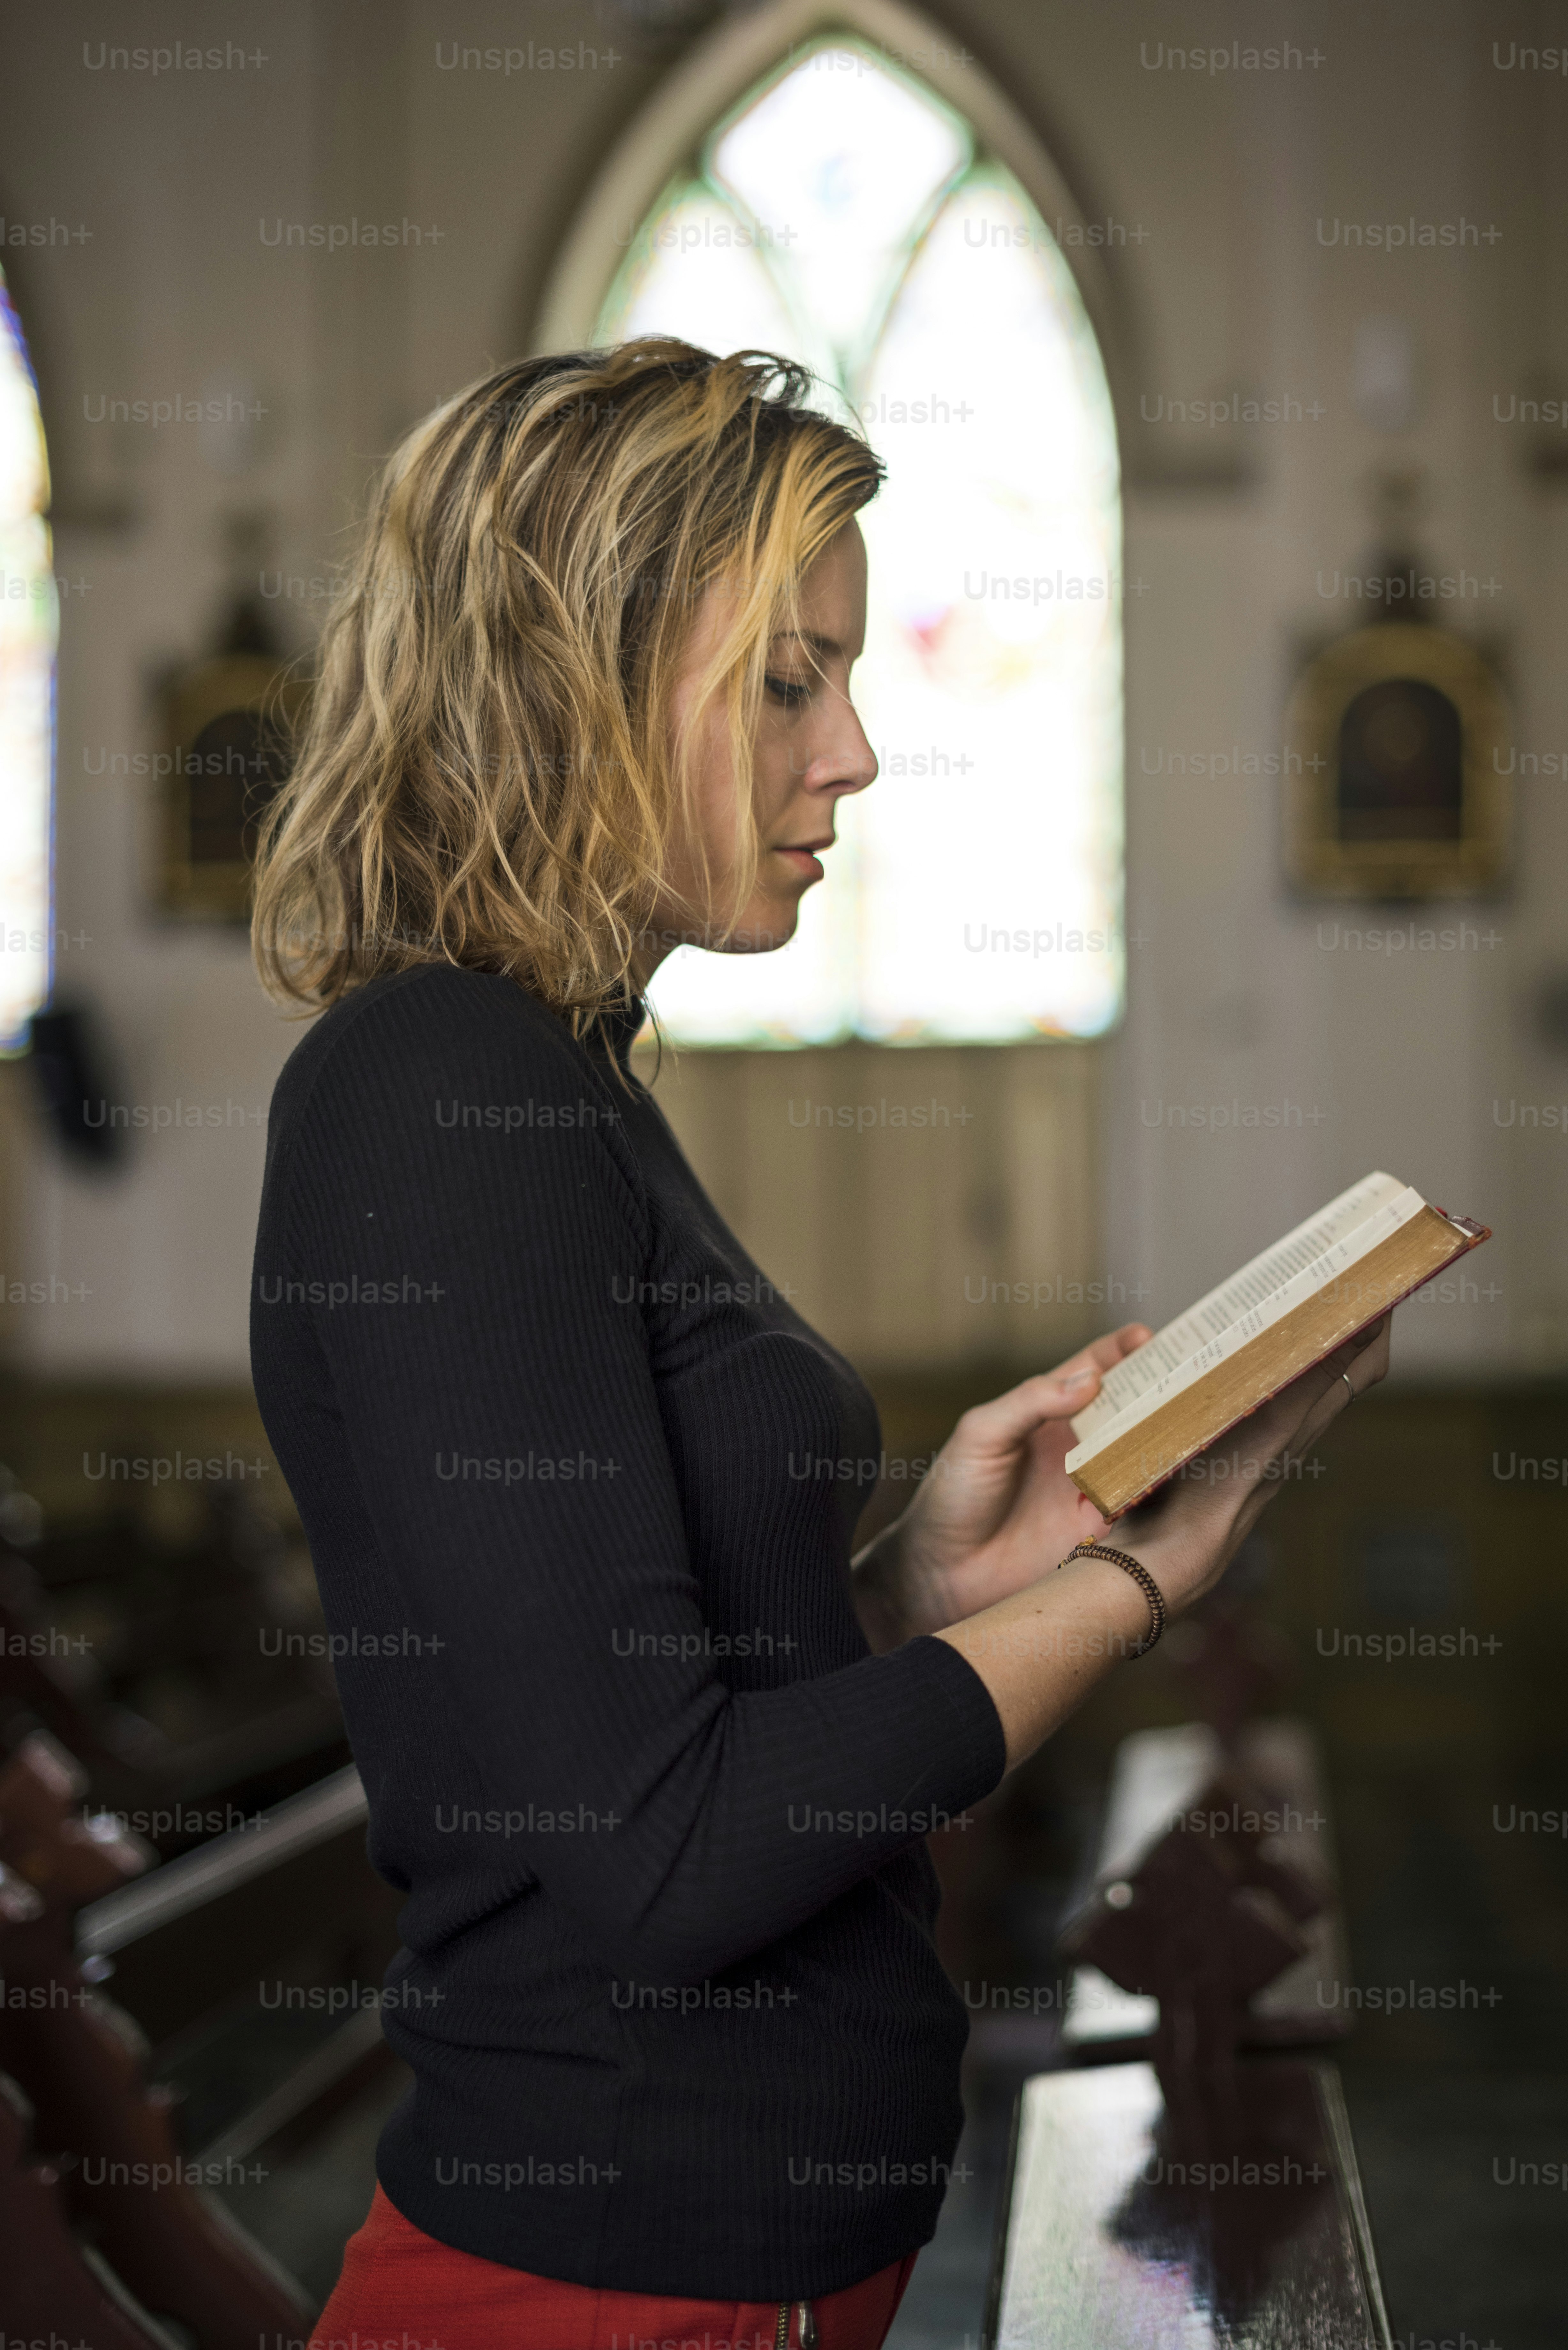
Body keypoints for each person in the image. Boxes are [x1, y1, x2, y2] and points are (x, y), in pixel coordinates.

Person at [249, 340, 1388, 2350]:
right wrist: (1129, 1587)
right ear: (568, 674)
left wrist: (922, 1594)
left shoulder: (561, 1073)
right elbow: (657, 1854)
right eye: (792, 679)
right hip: (597, 2286)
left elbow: (652, 1715)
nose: (853, 752)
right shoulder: (436, 1090)